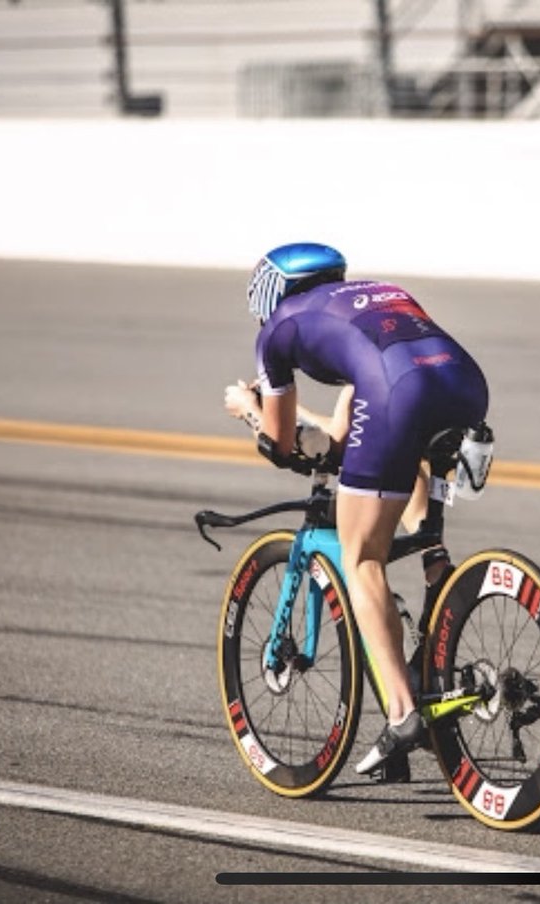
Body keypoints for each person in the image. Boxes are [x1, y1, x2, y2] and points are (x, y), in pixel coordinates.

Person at [222, 241, 488, 775]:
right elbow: (347, 436)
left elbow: (280, 444)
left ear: (272, 292)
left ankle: (402, 713)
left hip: (397, 391)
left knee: (361, 557)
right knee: (403, 481)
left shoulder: (277, 330)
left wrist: (250, 410)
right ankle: (439, 588)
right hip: (465, 384)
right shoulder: (372, 299)